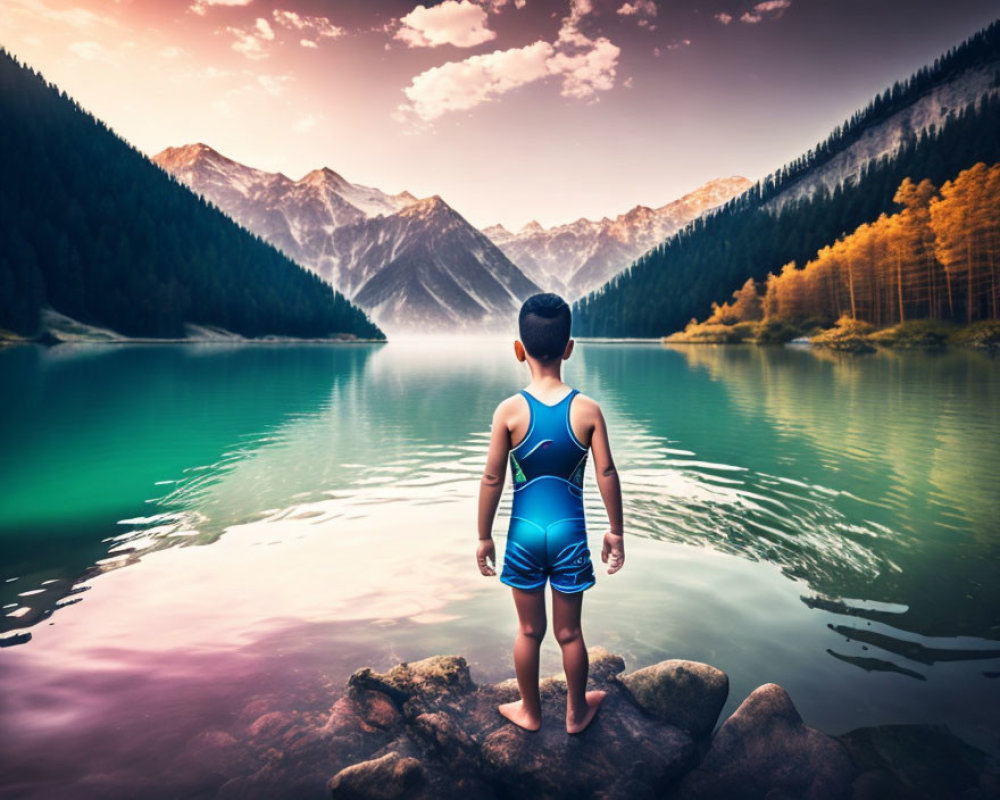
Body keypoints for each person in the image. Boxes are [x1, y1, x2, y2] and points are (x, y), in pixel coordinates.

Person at [476, 292, 625, 735]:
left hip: (523, 534)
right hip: (569, 536)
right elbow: (607, 472)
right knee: (570, 634)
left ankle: (530, 711)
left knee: (527, 632)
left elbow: (491, 480)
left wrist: (484, 536)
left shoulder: (509, 411)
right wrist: (615, 530)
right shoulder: (588, 410)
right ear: (569, 347)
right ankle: (576, 713)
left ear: (518, 350)